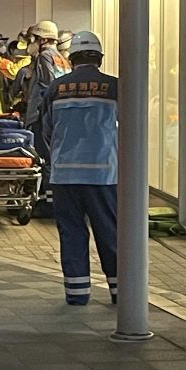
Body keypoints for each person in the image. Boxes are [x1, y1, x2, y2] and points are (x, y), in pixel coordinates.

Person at [41, 31, 117, 306]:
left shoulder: (56, 88)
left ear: (71, 59)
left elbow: (47, 130)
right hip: (104, 173)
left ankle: (77, 293)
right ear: (99, 58)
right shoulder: (115, 87)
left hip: (65, 175)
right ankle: (120, 292)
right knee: (109, 231)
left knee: (72, 232)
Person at [25, 20, 71, 216]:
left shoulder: (44, 57)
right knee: (53, 158)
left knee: (45, 159)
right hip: (59, 116)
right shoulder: (61, 58)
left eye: (34, 38)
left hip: (43, 116)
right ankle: (51, 200)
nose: (31, 42)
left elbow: (47, 86)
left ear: (43, 39)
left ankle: (48, 204)